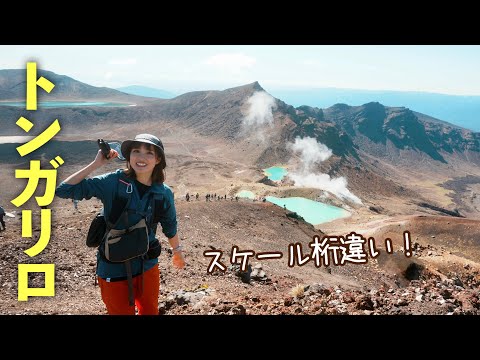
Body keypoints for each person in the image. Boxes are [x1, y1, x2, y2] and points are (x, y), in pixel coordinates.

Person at [56, 133, 185, 315]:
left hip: (146, 265)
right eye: (136, 151)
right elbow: (63, 190)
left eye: (149, 153)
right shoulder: (113, 182)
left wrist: (177, 253)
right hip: (112, 266)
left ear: (158, 159)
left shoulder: (163, 193)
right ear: (129, 156)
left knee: (150, 311)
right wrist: (96, 164)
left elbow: (170, 226)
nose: (141, 157)